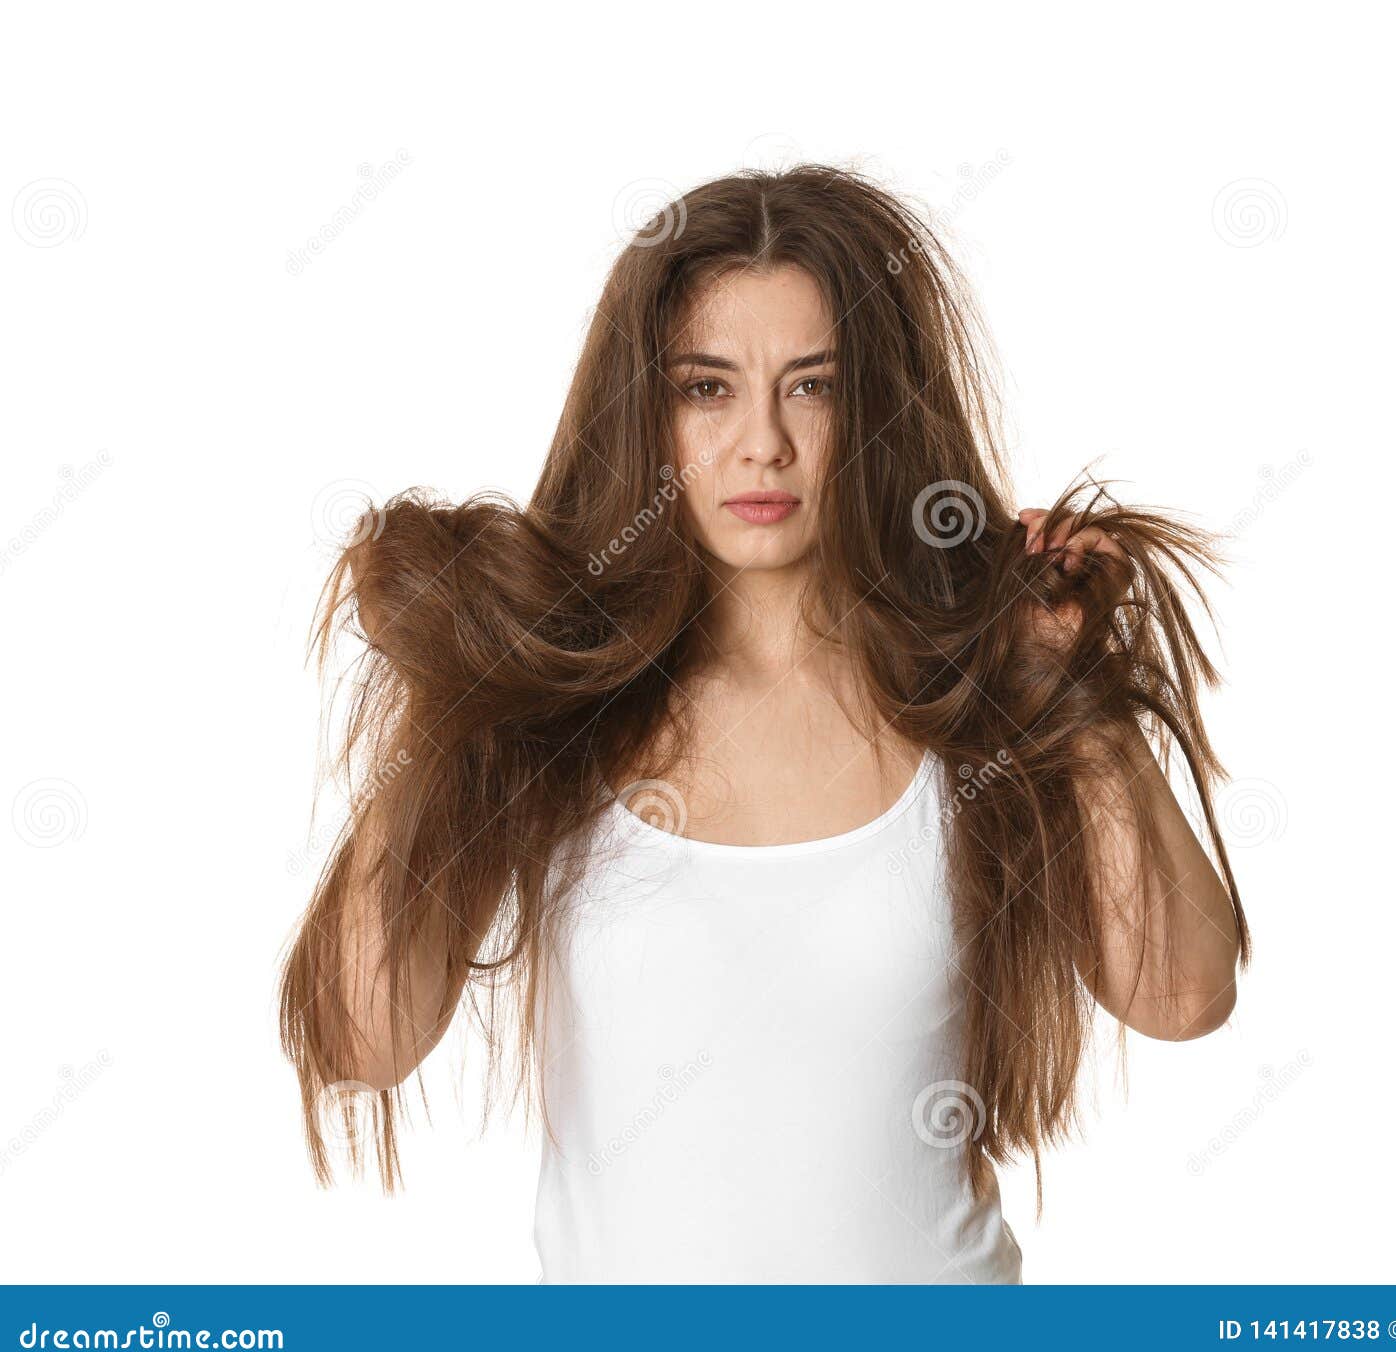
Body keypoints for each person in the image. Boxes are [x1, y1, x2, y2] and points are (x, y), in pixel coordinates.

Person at [278, 163, 1250, 1284]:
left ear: (877, 411)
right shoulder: (556, 710)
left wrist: (1068, 687)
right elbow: (361, 1038)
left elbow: (1182, 997)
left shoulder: (969, 698)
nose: (762, 445)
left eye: (812, 386)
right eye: (707, 388)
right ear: (645, 412)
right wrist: (449, 695)